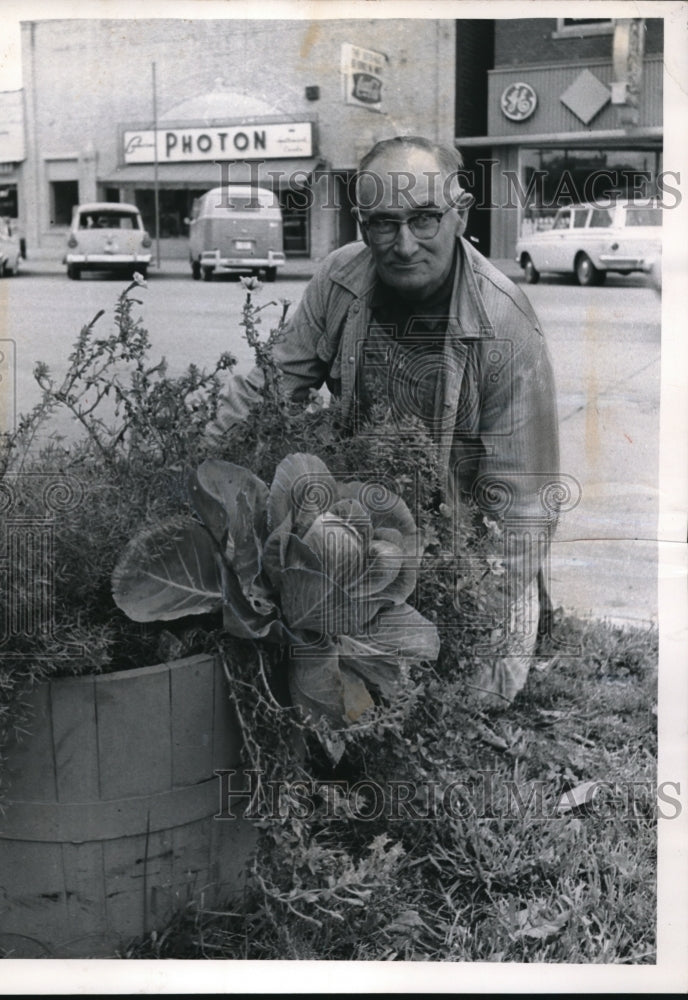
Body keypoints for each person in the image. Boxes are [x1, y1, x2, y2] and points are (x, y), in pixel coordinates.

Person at [211, 135, 560, 704]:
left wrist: (484, 646)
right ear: (360, 223)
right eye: (382, 223)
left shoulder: (507, 325)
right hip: (361, 538)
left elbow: (524, 509)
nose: (403, 244)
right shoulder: (340, 278)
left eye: (424, 219)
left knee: (454, 700)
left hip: (464, 555)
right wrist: (199, 475)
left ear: (460, 214)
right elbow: (266, 395)